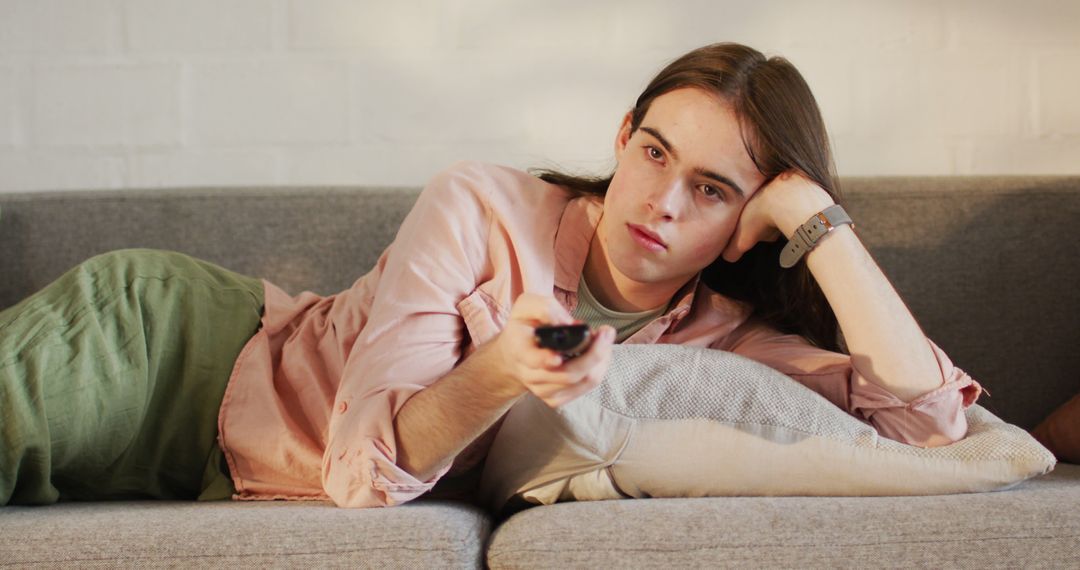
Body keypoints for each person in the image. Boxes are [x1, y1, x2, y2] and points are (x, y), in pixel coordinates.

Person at [0, 42, 982, 508]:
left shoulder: (718, 340)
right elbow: (362, 475)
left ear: (744, 231)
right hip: (177, 354)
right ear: (619, 141)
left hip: (223, 475)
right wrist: (501, 370)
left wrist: (819, 222)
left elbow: (931, 431)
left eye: (713, 191)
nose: (662, 202)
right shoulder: (480, 206)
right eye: (651, 152)